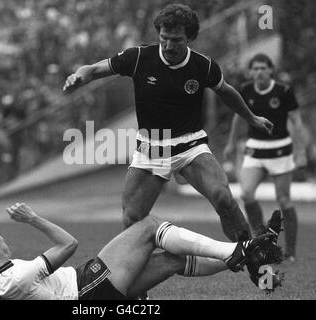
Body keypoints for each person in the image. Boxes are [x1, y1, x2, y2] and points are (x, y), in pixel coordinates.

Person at [63, 4, 273, 244]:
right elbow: (93, 69)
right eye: (164, 38)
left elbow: (226, 92)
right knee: (132, 218)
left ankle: (250, 252)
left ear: (190, 37)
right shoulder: (139, 57)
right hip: (153, 146)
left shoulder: (203, 66)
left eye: (176, 40)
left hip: (190, 144)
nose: (169, 45)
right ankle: (133, 270)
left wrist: (252, 118)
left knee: (223, 196)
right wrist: (79, 76)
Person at [0, 203, 282, 300]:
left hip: (90, 293)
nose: (4, 238)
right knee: (149, 227)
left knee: (172, 260)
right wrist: (33, 218)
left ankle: (246, 259)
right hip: (87, 290)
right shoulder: (19, 276)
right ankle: (241, 249)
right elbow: (69, 244)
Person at [224, 53, 307, 262]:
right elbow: (238, 118)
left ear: (271, 70)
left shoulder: (284, 91)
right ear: (250, 72)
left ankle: (291, 252)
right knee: (247, 194)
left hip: (280, 149)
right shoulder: (245, 90)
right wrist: (232, 143)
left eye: (263, 68)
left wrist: (300, 151)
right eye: (255, 68)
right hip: (255, 149)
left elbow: (296, 121)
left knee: (284, 199)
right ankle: (261, 242)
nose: (259, 72)